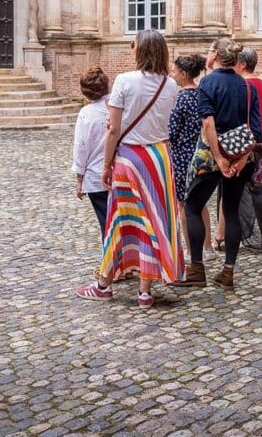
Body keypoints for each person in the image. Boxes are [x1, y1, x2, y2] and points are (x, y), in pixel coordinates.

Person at [76, 30, 183, 308]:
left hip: (129, 158)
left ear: (141, 51)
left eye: (134, 45)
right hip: (159, 157)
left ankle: (103, 285)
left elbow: (113, 130)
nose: (131, 49)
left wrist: (106, 165)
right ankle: (145, 291)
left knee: (120, 221)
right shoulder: (171, 85)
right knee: (152, 221)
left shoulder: (124, 81)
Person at [176, 38, 262, 291]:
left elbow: (208, 123)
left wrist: (218, 157)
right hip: (239, 158)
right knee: (231, 211)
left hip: (211, 156)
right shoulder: (247, 87)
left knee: (193, 206)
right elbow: (255, 130)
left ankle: (197, 269)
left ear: (214, 56)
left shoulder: (208, 82)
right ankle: (228, 271)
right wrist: (240, 160)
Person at [168, 54, 211, 253]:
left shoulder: (182, 97)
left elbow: (172, 131)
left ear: (184, 74)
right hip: (201, 154)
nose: (173, 74)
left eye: (175, 71)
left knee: (183, 206)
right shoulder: (201, 93)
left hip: (182, 157)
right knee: (201, 204)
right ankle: (208, 246)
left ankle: (191, 249)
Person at [237, 46, 262, 254]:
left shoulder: (244, 85)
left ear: (242, 64)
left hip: (245, 139)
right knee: (259, 190)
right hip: (261, 138)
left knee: (237, 191)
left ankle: (241, 235)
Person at [72, 67, 111, 236]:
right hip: (120, 172)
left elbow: (81, 147)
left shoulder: (86, 113)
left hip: (95, 175)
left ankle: (111, 260)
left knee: (106, 223)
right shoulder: (117, 108)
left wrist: (79, 179)